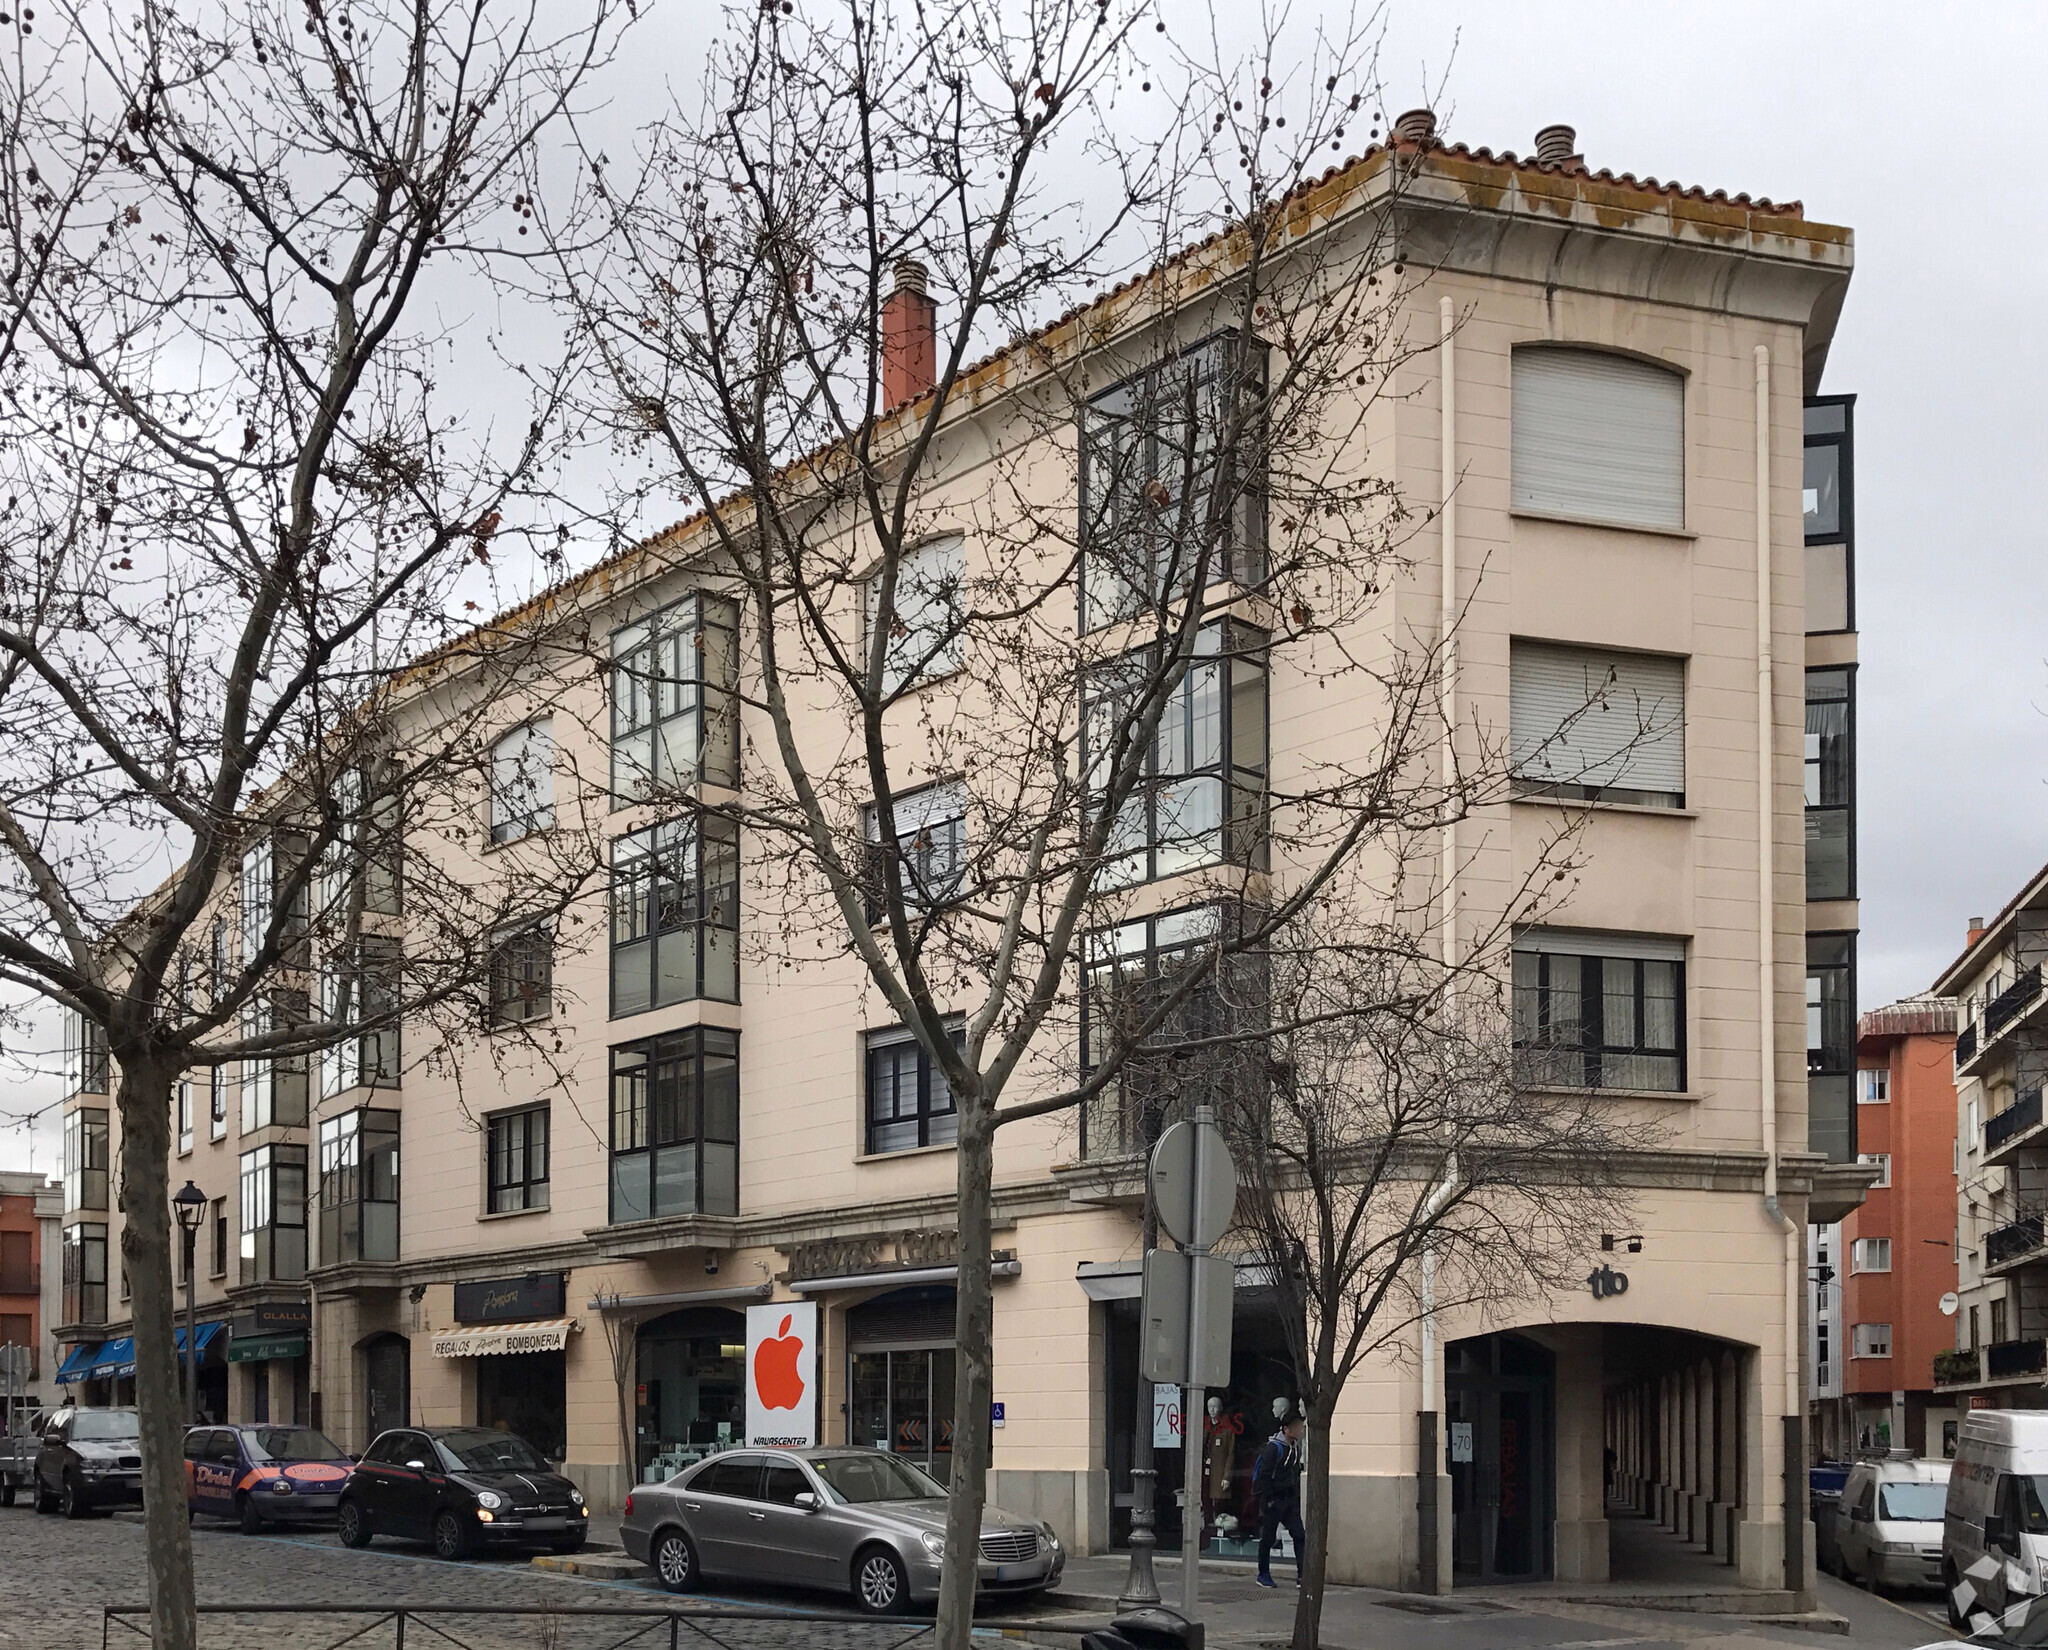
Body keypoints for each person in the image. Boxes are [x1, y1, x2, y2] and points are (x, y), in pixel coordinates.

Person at [1253, 1414, 1306, 1587]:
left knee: (1299, 1535)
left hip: (1289, 1499)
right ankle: (1263, 1574)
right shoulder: (1274, 1448)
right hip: (1274, 1500)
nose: (1300, 1430)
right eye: (1296, 1427)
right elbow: (1264, 1476)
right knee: (1268, 1538)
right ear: (1286, 1429)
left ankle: (1303, 1575)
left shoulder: (1296, 1447)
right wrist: (1269, 1500)